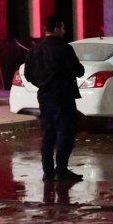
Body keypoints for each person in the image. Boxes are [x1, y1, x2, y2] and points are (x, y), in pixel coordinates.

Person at [23, 15, 86, 182]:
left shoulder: (34, 50)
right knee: (64, 132)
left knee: (48, 133)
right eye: (63, 28)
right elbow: (79, 71)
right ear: (57, 29)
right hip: (63, 96)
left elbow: (28, 74)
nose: (64, 31)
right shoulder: (63, 48)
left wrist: (42, 83)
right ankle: (62, 169)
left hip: (44, 96)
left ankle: (48, 171)